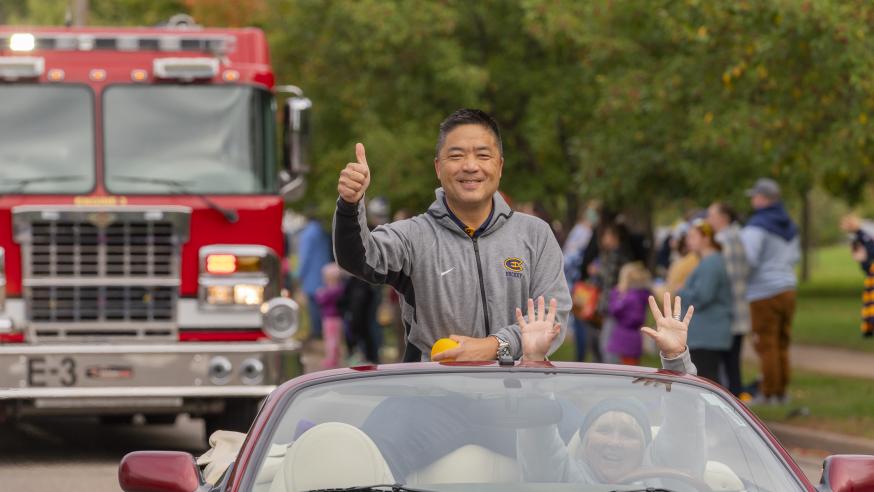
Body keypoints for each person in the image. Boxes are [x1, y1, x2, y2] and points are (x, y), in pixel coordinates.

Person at [334, 108, 571, 361]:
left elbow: (550, 320)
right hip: (433, 394)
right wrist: (350, 205)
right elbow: (358, 259)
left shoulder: (535, 234)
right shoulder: (413, 237)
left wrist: (494, 347)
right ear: (438, 167)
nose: (470, 166)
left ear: (500, 166)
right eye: (456, 156)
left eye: (483, 155)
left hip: (518, 394)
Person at [516, 292, 704, 484]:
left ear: (645, 447)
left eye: (628, 434)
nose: (614, 442)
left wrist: (676, 360)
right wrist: (534, 363)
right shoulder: (565, 478)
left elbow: (684, 425)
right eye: (604, 430)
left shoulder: (662, 477)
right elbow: (537, 429)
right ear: (585, 441)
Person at [741, 178, 800, 404]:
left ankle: (768, 393)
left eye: (755, 196)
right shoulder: (790, 225)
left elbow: (750, 259)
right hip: (788, 288)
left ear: (764, 198)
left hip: (763, 292)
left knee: (766, 344)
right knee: (782, 342)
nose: (753, 200)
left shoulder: (757, 225)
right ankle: (782, 392)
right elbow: (795, 257)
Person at [677, 219, 733, 383]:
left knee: (707, 380)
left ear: (706, 239)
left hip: (707, 335)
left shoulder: (711, 263)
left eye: (693, 237)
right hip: (705, 334)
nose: (688, 241)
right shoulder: (709, 261)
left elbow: (703, 297)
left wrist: (682, 291)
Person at [707, 202, 751, 396]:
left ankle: (732, 404)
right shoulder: (739, 235)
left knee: (725, 364)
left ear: (723, 217)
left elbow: (724, 279)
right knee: (733, 363)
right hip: (740, 309)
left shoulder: (722, 239)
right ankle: (738, 399)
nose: (709, 220)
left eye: (711, 216)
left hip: (727, 312)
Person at [605, 262, 651, 366]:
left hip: (623, 335)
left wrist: (619, 297)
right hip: (634, 336)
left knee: (621, 370)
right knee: (632, 369)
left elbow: (614, 310)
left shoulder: (625, 296)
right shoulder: (642, 294)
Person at [295, 215, 332, 339]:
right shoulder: (323, 232)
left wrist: (299, 274)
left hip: (312, 276)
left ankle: (316, 332)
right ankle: (324, 332)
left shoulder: (307, 234)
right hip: (326, 274)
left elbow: (305, 257)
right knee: (324, 304)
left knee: (313, 305)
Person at [840, 215, 874, 338]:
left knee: (870, 299)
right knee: (869, 299)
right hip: (870, 270)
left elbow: (869, 252)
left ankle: (869, 328)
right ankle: (868, 327)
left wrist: (865, 261)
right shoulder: (857, 236)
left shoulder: (863, 234)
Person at [314, 263, 345, 369]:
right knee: (335, 339)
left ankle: (331, 359)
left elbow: (321, 299)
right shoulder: (339, 289)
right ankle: (335, 358)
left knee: (331, 340)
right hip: (335, 318)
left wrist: (320, 293)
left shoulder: (333, 290)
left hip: (330, 318)